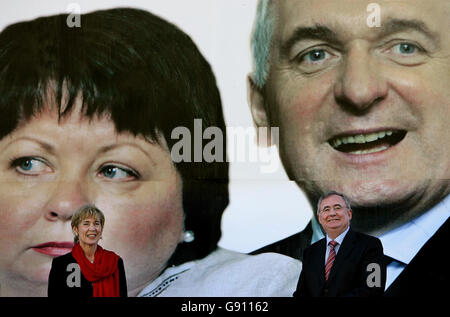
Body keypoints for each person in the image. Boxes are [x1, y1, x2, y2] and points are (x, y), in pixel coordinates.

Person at [0, 8, 300, 297]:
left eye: (114, 171)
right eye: (28, 163)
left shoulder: (265, 288)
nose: (66, 204)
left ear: (192, 203)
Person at [248, 0, 449, 296]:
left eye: (405, 47)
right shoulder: (222, 289)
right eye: (315, 55)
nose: (358, 90)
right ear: (262, 109)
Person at [293, 191, 385, 297]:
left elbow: (374, 289)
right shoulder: (311, 252)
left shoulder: (371, 245)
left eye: (337, 208)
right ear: (320, 218)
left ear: (349, 214)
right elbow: (301, 293)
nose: (332, 213)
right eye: (326, 209)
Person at [48, 205, 127, 297]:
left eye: (96, 223)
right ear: (75, 229)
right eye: (86, 223)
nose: (92, 228)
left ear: (101, 229)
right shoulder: (61, 264)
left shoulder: (114, 262)